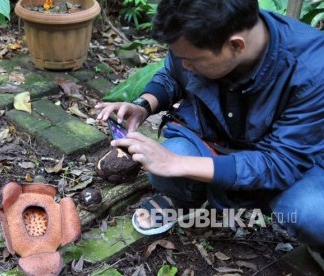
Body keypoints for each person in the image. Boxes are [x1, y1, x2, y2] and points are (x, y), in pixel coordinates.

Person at [96, 0, 324, 269]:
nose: (185, 65)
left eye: (192, 60)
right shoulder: (199, 32)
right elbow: (171, 74)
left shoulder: (313, 68)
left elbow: (280, 163)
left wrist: (175, 163)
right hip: (213, 135)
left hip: (286, 161)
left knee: (313, 213)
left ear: (236, 46)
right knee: (163, 167)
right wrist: (144, 105)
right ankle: (184, 199)